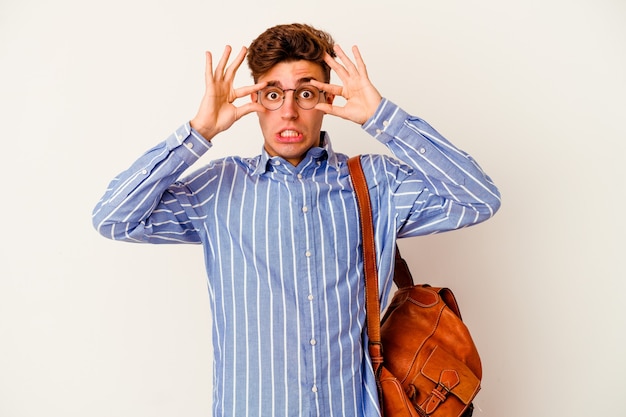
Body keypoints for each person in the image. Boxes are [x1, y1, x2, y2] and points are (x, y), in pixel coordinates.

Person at [92, 23, 500, 417]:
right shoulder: (217, 188)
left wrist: (381, 116)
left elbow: (477, 199)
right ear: (254, 101)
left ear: (326, 98)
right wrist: (198, 131)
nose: (288, 111)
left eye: (306, 93)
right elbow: (114, 218)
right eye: (272, 94)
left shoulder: (376, 184)